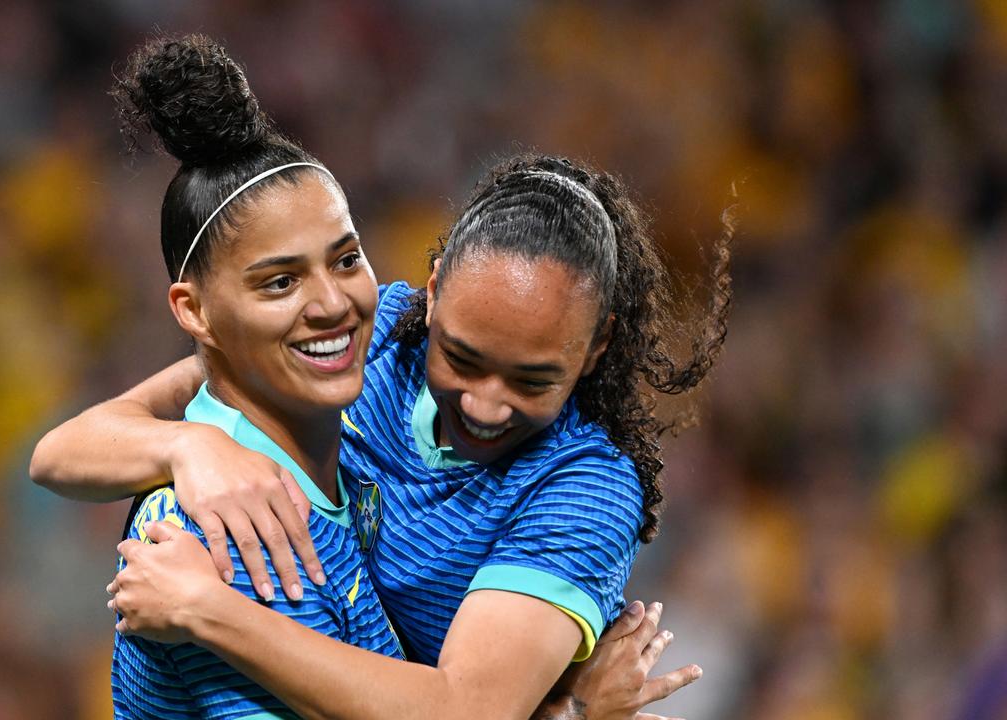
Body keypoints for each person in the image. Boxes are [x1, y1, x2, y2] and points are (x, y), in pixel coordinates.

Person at [36, 33, 731, 720]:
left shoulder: (581, 484)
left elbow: (468, 711)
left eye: (531, 380)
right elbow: (63, 451)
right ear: (429, 296)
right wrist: (186, 448)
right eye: (461, 358)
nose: (486, 404)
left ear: (596, 345)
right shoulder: (235, 527)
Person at [101, 34, 402, 719]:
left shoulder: (341, 452)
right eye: (280, 282)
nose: (332, 303)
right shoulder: (218, 538)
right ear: (196, 311)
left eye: (347, 259)